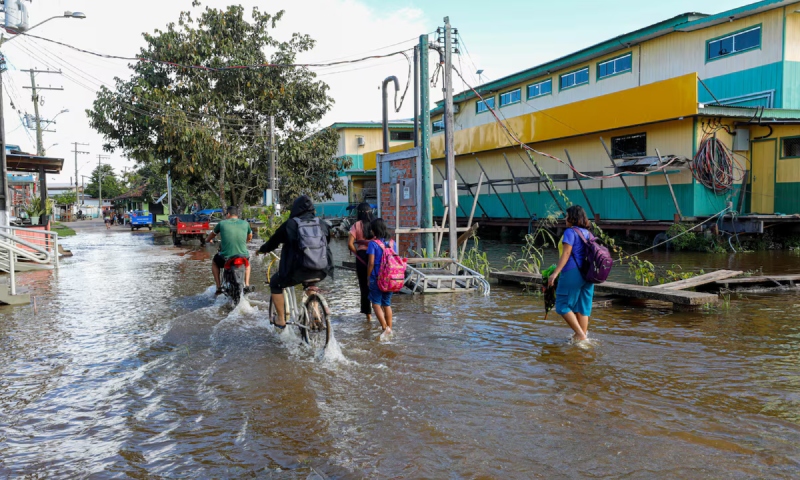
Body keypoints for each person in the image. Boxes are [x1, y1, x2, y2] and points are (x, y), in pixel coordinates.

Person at [257, 195, 332, 330]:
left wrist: (263, 250)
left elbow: (273, 241)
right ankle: (316, 316)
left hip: (297, 271)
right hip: (321, 270)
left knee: (275, 283)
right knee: (311, 283)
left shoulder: (291, 224)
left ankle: (280, 319)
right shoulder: (321, 223)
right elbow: (327, 242)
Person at [547, 205, 595, 342]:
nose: (565, 218)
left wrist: (555, 273)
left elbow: (566, 254)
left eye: (567, 216)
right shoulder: (589, 233)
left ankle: (580, 334)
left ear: (573, 217)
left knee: (562, 305)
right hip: (588, 274)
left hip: (572, 272)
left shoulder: (570, 232)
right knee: (582, 307)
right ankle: (582, 340)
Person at [205, 206, 253, 295]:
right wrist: (246, 241)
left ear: (228, 214)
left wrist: (208, 240)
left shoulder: (222, 223)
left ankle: (219, 287)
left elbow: (212, 235)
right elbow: (250, 236)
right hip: (242, 256)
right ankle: (246, 284)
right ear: (237, 215)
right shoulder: (245, 224)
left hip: (226, 257)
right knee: (247, 264)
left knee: (214, 263)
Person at [366, 218, 395, 336]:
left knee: (375, 303)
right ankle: (390, 328)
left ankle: (384, 327)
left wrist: (368, 277)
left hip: (377, 278)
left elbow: (371, 263)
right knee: (386, 303)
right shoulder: (393, 243)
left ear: (374, 230)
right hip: (391, 278)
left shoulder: (373, 244)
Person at [347, 203, 375, 322]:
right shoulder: (375, 224)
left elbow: (350, 244)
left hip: (362, 257)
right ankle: (381, 309)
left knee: (364, 286)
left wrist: (358, 254)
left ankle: (368, 316)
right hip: (376, 256)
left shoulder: (356, 225)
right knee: (378, 284)